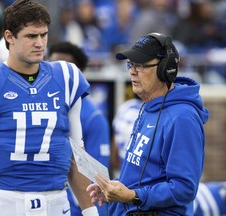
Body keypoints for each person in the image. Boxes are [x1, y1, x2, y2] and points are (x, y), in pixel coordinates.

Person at [0, 0, 98, 216]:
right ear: (9, 37)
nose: (40, 43)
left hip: (57, 200)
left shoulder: (67, 76)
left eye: (44, 35)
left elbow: (77, 154)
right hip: (5, 201)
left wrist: (90, 211)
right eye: (31, 36)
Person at [86, 32, 210, 215]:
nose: (132, 71)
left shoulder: (183, 118)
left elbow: (184, 188)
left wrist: (132, 196)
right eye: (131, 64)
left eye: (141, 65)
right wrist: (113, 190)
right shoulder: (148, 107)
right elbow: (142, 175)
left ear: (165, 69)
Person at [48, 41, 111, 216]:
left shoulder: (94, 118)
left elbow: (97, 177)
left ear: (78, 74)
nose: (56, 73)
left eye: (64, 68)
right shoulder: (41, 107)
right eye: (52, 66)